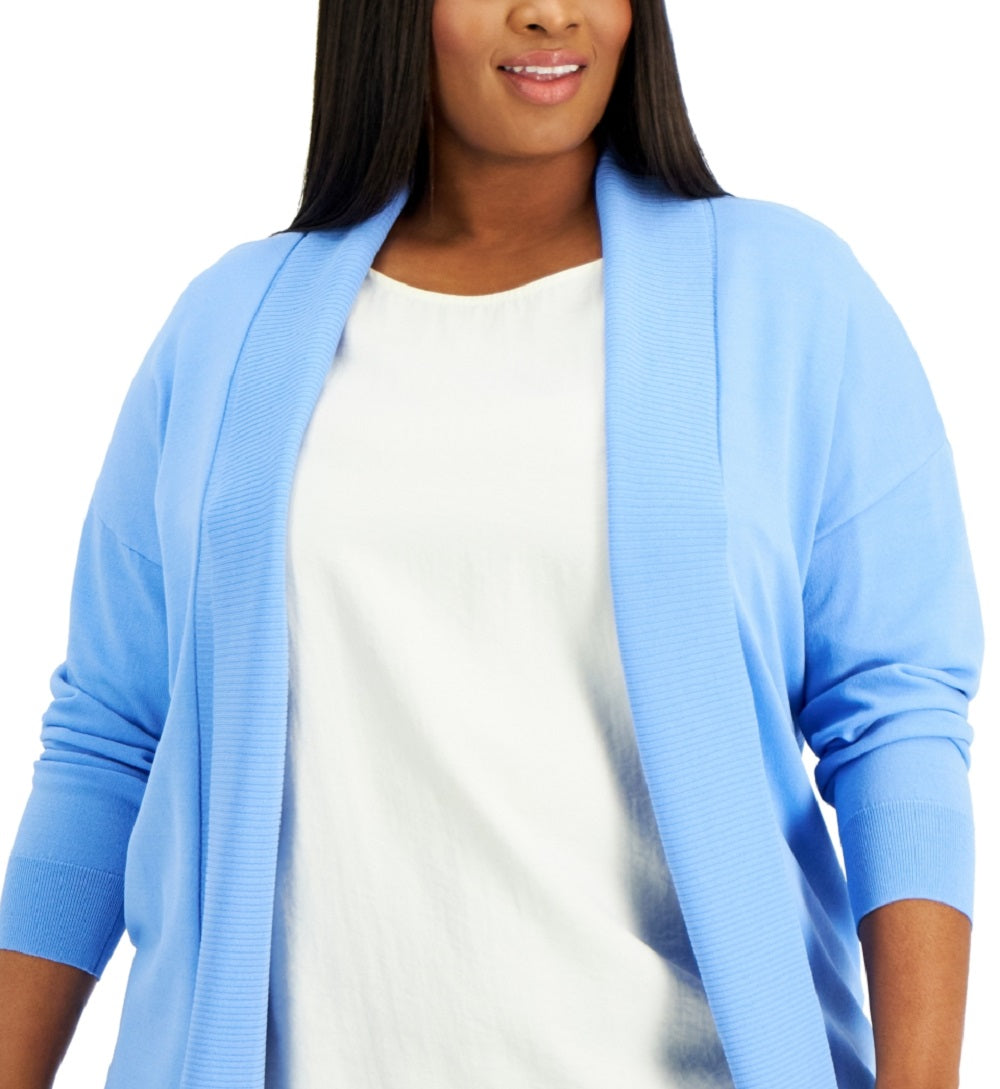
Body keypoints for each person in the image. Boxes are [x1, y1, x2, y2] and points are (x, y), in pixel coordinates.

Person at [0, 1, 983, 1087]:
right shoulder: (227, 325)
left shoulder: (787, 294)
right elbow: (110, 740)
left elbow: (893, 715)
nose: (550, 13)